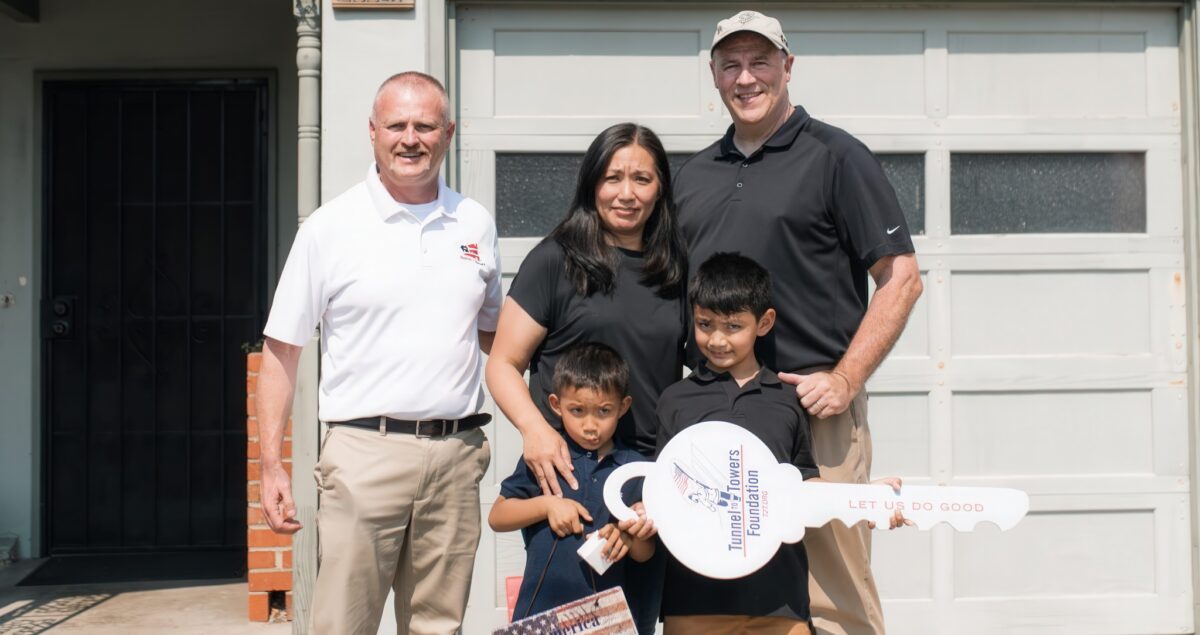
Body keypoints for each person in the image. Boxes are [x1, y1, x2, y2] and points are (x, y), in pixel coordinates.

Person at [672, 11, 924, 635]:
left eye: (761, 61)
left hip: (816, 410)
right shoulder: (694, 175)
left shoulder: (837, 157)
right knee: (733, 597)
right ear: (713, 75)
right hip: (721, 418)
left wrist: (844, 379)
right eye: (730, 64)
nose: (746, 77)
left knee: (833, 592)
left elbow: (901, 278)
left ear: (788, 67)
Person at [255, 71, 501, 635]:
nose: (410, 138)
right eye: (396, 125)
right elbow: (281, 352)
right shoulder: (329, 228)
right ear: (372, 132)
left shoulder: (474, 222)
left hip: (457, 456)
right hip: (364, 454)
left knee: (440, 628)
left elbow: (495, 336)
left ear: (449, 133)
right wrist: (271, 467)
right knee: (342, 625)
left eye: (425, 125)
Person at [486, 121, 687, 634]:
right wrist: (536, 431)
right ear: (591, 183)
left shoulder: (675, 268)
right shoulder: (555, 260)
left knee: (631, 620)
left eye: (642, 179)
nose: (626, 193)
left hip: (644, 475)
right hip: (571, 469)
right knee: (560, 613)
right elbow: (503, 362)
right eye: (612, 177)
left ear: (661, 186)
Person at [654, 253, 905, 635]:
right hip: (693, 602)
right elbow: (664, 491)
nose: (717, 339)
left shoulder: (788, 399)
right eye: (705, 324)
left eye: (733, 326)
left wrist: (864, 499)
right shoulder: (676, 400)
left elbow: (805, 483)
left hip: (779, 603)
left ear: (764, 323)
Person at [489, 343, 657, 621]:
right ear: (556, 405)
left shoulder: (635, 470)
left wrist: (628, 535)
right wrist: (547, 505)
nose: (590, 425)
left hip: (606, 621)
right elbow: (498, 516)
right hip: (540, 616)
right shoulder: (548, 457)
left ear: (623, 407)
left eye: (604, 411)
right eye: (577, 410)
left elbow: (645, 554)